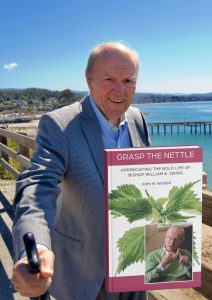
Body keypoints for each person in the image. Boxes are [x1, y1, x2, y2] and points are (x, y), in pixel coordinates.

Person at [11, 42, 150, 300]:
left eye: (128, 80)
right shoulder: (60, 124)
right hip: (85, 274)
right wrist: (37, 247)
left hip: (134, 264)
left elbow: (146, 175)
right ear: (88, 78)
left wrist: (181, 180)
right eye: (108, 78)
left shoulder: (138, 118)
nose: (119, 89)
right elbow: (38, 185)